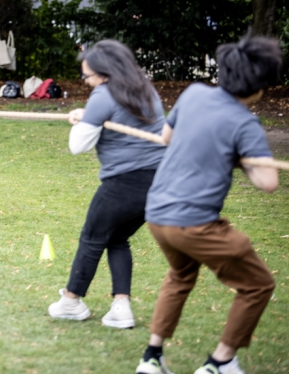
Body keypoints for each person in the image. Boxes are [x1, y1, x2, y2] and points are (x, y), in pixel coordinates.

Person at [135, 35, 281, 374]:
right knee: (258, 284)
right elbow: (268, 182)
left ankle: (151, 358)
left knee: (181, 275)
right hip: (194, 224)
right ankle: (220, 363)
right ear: (260, 86)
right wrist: (244, 158)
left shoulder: (195, 93)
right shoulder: (246, 123)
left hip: (157, 215)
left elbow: (166, 138)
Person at [48, 40, 165, 329]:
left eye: (87, 76)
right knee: (116, 238)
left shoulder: (103, 95)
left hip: (124, 183)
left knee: (92, 236)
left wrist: (81, 119)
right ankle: (121, 307)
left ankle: (71, 301)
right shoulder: (145, 90)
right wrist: (88, 117)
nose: (86, 82)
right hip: (159, 182)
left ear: (104, 72)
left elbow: (78, 146)